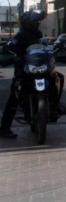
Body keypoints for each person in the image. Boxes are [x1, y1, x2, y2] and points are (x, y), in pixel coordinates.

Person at [1, 10, 45, 139]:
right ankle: (4, 128)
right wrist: (8, 49)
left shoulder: (37, 34)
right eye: (34, 21)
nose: (37, 23)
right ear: (28, 23)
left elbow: (41, 48)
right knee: (14, 97)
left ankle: (53, 107)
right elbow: (10, 47)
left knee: (57, 77)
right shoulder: (20, 36)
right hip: (23, 72)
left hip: (39, 69)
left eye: (37, 21)